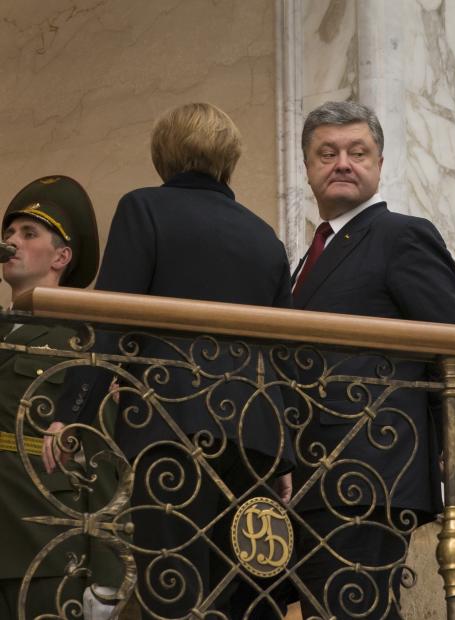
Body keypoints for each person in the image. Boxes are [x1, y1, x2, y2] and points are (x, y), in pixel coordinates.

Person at [44, 103, 295, 619]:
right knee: (240, 592)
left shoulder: (144, 209)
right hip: (254, 443)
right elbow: (283, 354)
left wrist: (73, 411)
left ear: (164, 156)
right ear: (229, 159)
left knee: (172, 586)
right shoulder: (265, 238)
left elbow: (110, 318)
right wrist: (286, 455)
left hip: (171, 430)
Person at [290, 100, 455, 619]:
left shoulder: (401, 236)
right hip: (314, 472)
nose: (342, 163)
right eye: (327, 153)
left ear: (379, 164)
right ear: (307, 168)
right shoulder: (311, 254)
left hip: (373, 466)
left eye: (357, 152)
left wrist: (445, 443)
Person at [0, 175, 120, 618]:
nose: (12, 241)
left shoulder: (80, 337)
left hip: (46, 551)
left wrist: (107, 573)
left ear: (61, 257)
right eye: (8, 233)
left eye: (29, 234)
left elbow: (103, 458)